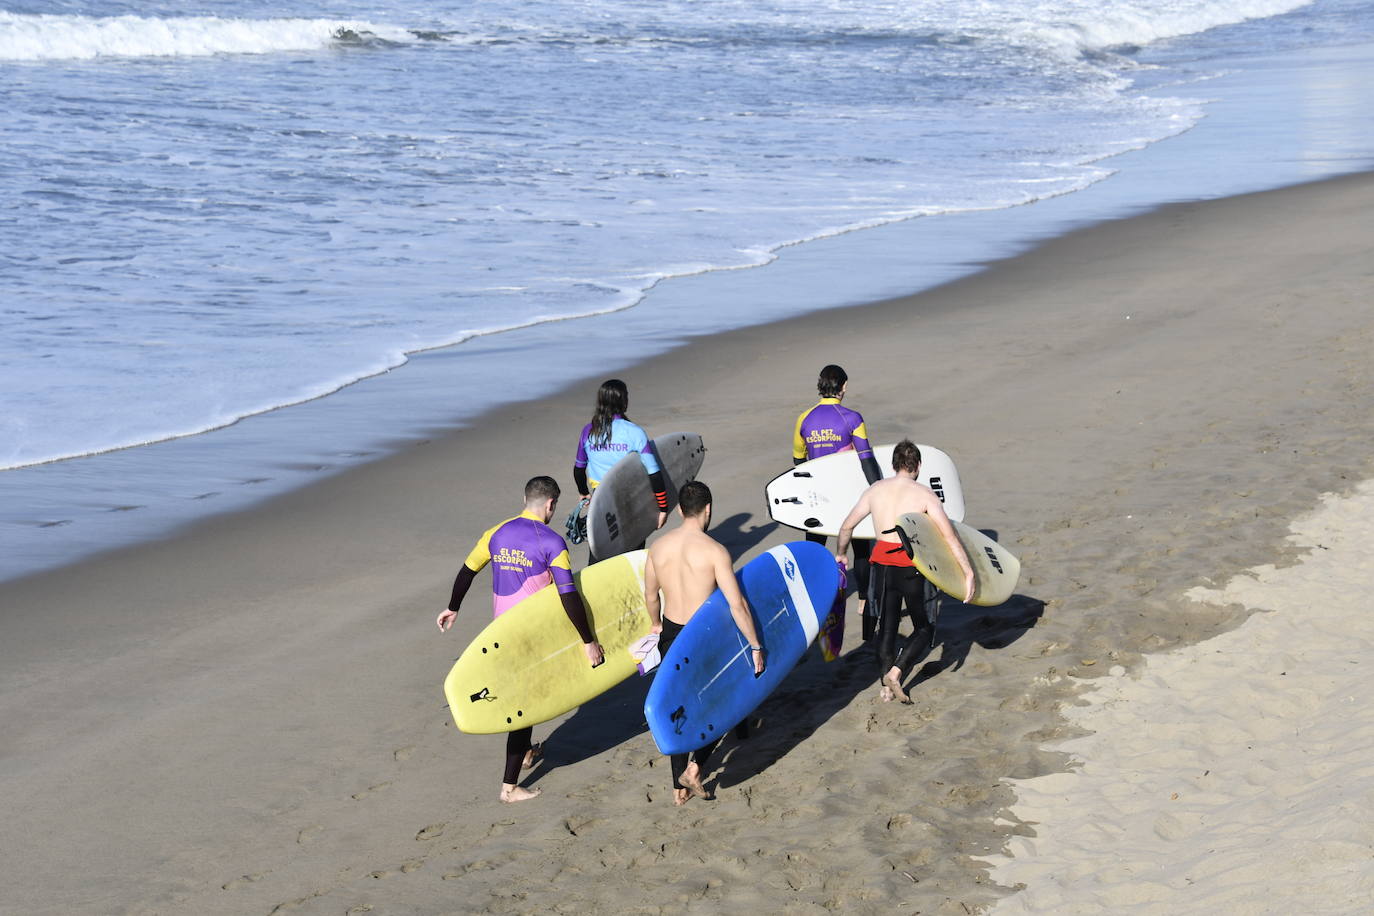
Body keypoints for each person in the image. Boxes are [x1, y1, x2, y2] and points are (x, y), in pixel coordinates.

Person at [436, 475, 605, 803]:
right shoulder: (552, 543)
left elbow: (468, 570)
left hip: (501, 633)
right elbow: (569, 595)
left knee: (528, 695)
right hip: (531, 637)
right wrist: (587, 640)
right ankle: (510, 787)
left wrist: (452, 607)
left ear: (526, 498)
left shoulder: (496, 533)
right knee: (524, 706)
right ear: (551, 504)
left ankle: (526, 752)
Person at [644, 480, 765, 806]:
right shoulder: (714, 552)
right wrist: (755, 644)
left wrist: (656, 625)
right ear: (708, 510)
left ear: (680, 510)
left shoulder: (657, 546)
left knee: (677, 705)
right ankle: (696, 768)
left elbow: (650, 594)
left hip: (671, 631)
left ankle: (677, 789)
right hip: (702, 635)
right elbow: (736, 604)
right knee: (721, 699)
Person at [835, 440, 973, 704]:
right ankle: (897, 672)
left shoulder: (875, 490)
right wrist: (968, 573)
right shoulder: (925, 495)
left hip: (881, 568)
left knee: (886, 628)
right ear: (918, 466)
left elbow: (846, 526)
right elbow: (950, 537)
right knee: (923, 627)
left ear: (893, 465)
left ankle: (885, 688)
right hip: (911, 568)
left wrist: (841, 553)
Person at [793, 364, 882, 634]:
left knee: (815, 548)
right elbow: (866, 459)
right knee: (862, 550)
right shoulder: (852, 418)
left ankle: (815, 600)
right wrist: (878, 489)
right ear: (843, 387)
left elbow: (798, 465)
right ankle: (865, 603)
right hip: (848, 495)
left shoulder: (803, 419)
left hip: (817, 496)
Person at [573, 379, 669, 558]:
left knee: (599, 553)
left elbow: (579, 469)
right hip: (631, 500)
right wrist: (663, 507)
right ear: (623, 401)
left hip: (601, 501)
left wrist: (583, 492)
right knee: (633, 555)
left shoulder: (589, 431)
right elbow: (654, 473)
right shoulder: (634, 432)